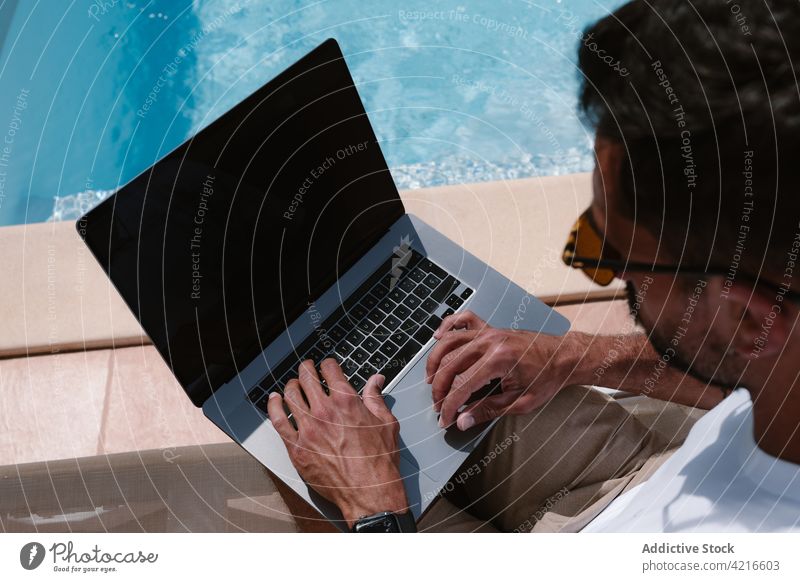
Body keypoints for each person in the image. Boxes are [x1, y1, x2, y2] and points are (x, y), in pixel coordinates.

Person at [266, 0, 800, 532]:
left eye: (605, 252)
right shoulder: (779, 339)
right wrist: (573, 356)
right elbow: (755, 370)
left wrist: (375, 513)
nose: (609, 272)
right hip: (638, 479)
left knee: (302, 455)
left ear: (751, 322)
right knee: (434, 375)